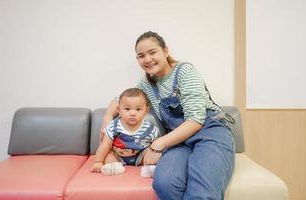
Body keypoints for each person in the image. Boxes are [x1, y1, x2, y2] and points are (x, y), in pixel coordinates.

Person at [100, 31, 235, 199]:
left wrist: (157, 145)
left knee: (202, 191)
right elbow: (120, 100)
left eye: (152, 52)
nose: (147, 59)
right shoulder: (147, 83)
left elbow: (195, 120)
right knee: (165, 184)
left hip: (209, 132)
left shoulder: (185, 71)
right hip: (179, 141)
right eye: (141, 56)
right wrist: (107, 118)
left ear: (165, 51)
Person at [91, 88, 160, 176]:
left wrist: (153, 154)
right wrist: (98, 161)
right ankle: (113, 167)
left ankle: (149, 168)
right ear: (119, 110)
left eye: (138, 109)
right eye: (127, 109)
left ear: (146, 111)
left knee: (151, 153)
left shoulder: (151, 129)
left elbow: (155, 146)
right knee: (108, 153)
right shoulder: (113, 126)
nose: (132, 113)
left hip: (140, 156)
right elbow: (105, 144)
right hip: (118, 156)